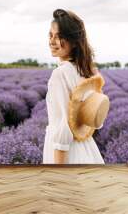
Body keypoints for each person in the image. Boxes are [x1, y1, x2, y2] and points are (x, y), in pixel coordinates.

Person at [43, 9, 105, 164]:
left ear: (74, 41)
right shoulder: (87, 71)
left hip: (67, 154)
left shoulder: (60, 74)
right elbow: (94, 118)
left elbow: (63, 129)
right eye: (50, 35)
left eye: (60, 36)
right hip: (87, 147)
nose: (52, 41)